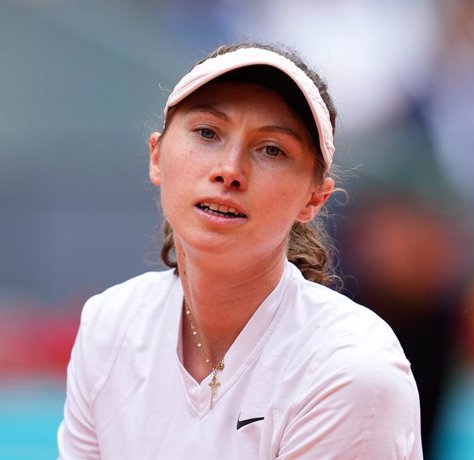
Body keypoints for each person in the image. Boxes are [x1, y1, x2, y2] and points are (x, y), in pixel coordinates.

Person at [57, 42, 423, 459]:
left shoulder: (352, 371)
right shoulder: (108, 325)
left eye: (272, 149)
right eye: (208, 132)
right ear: (156, 156)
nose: (230, 170)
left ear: (314, 199)